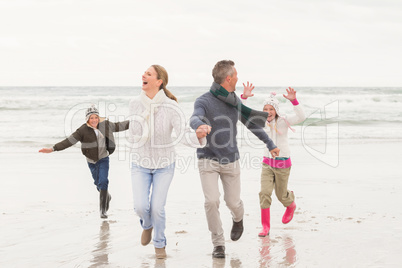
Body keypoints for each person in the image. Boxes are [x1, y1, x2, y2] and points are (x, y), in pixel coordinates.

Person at [189, 60, 280, 258]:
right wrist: (198, 126)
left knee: (233, 203)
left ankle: (238, 218)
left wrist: (270, 143)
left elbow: (251, 124)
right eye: (236, 76)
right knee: (211, 201)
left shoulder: (234, 101)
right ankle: (218, 243)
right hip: (208, 159)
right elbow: (195, 117)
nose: (238, 78)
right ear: (228, 78)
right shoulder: (203, 101)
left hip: (231, 159)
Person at [128, 64, 207, 259]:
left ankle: (159, 244)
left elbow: (181, 135)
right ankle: (147, 225)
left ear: (159, 81)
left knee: (157, 207)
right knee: (140, 207)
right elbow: (133, 134)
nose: (143, 75)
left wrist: (198, 136)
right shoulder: (134, 104)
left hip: (165, 164)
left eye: (148, 74)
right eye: (144, 73)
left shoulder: (171, 106)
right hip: (140, 162)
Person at [39, 104, 129, 219]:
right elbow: (69, 141)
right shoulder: (82, 130)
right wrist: (52, 148)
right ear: (87, 119)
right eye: (91, 118)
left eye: (96, 117)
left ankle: (103, 211)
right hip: (91, 161)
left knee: (103, 181)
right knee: (98, 184)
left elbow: (119, 126)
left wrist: (137, 121)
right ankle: (107, 196)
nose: (94, 120)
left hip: (103, 159)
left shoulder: (105, 125)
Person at [242, 86, 306, 237]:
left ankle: (290, 204)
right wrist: (243, 98)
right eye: (265, 108)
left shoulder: (284, 120)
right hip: (267, 164)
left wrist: (294, 101)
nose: (268, 111)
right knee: (264, 192)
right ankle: (265, 226)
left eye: (271, 109)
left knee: (281, 195)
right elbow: (242, 115)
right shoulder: (262, 121)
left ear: (276, 110)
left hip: (283, 164)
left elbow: (301, 117)